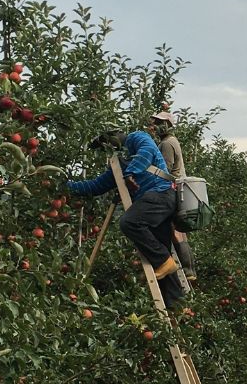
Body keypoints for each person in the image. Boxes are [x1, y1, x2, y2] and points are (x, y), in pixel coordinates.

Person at [67, 130, 185, 308]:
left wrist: (130, 173)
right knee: (160, 251)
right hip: (153, 206)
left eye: (111, 140)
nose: (112, 146)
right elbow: (94, 186)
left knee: (129, 222)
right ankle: (177, 308)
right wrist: (65, 187)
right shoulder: (119, 167)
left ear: (118, 134)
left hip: (161, 194)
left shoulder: (138, 137)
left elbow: (147, 151)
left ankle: (163, 260)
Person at [146, 111, 196, 277]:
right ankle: (189, 270)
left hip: (173, 188)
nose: (156, 126)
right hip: (178, 189)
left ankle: (187, 269)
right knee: (179, 231)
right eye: (155, 123)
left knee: (176, 231)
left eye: (160, 123)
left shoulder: (167, 143)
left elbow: (164, 171)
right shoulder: (169, 141)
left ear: (168, 125)